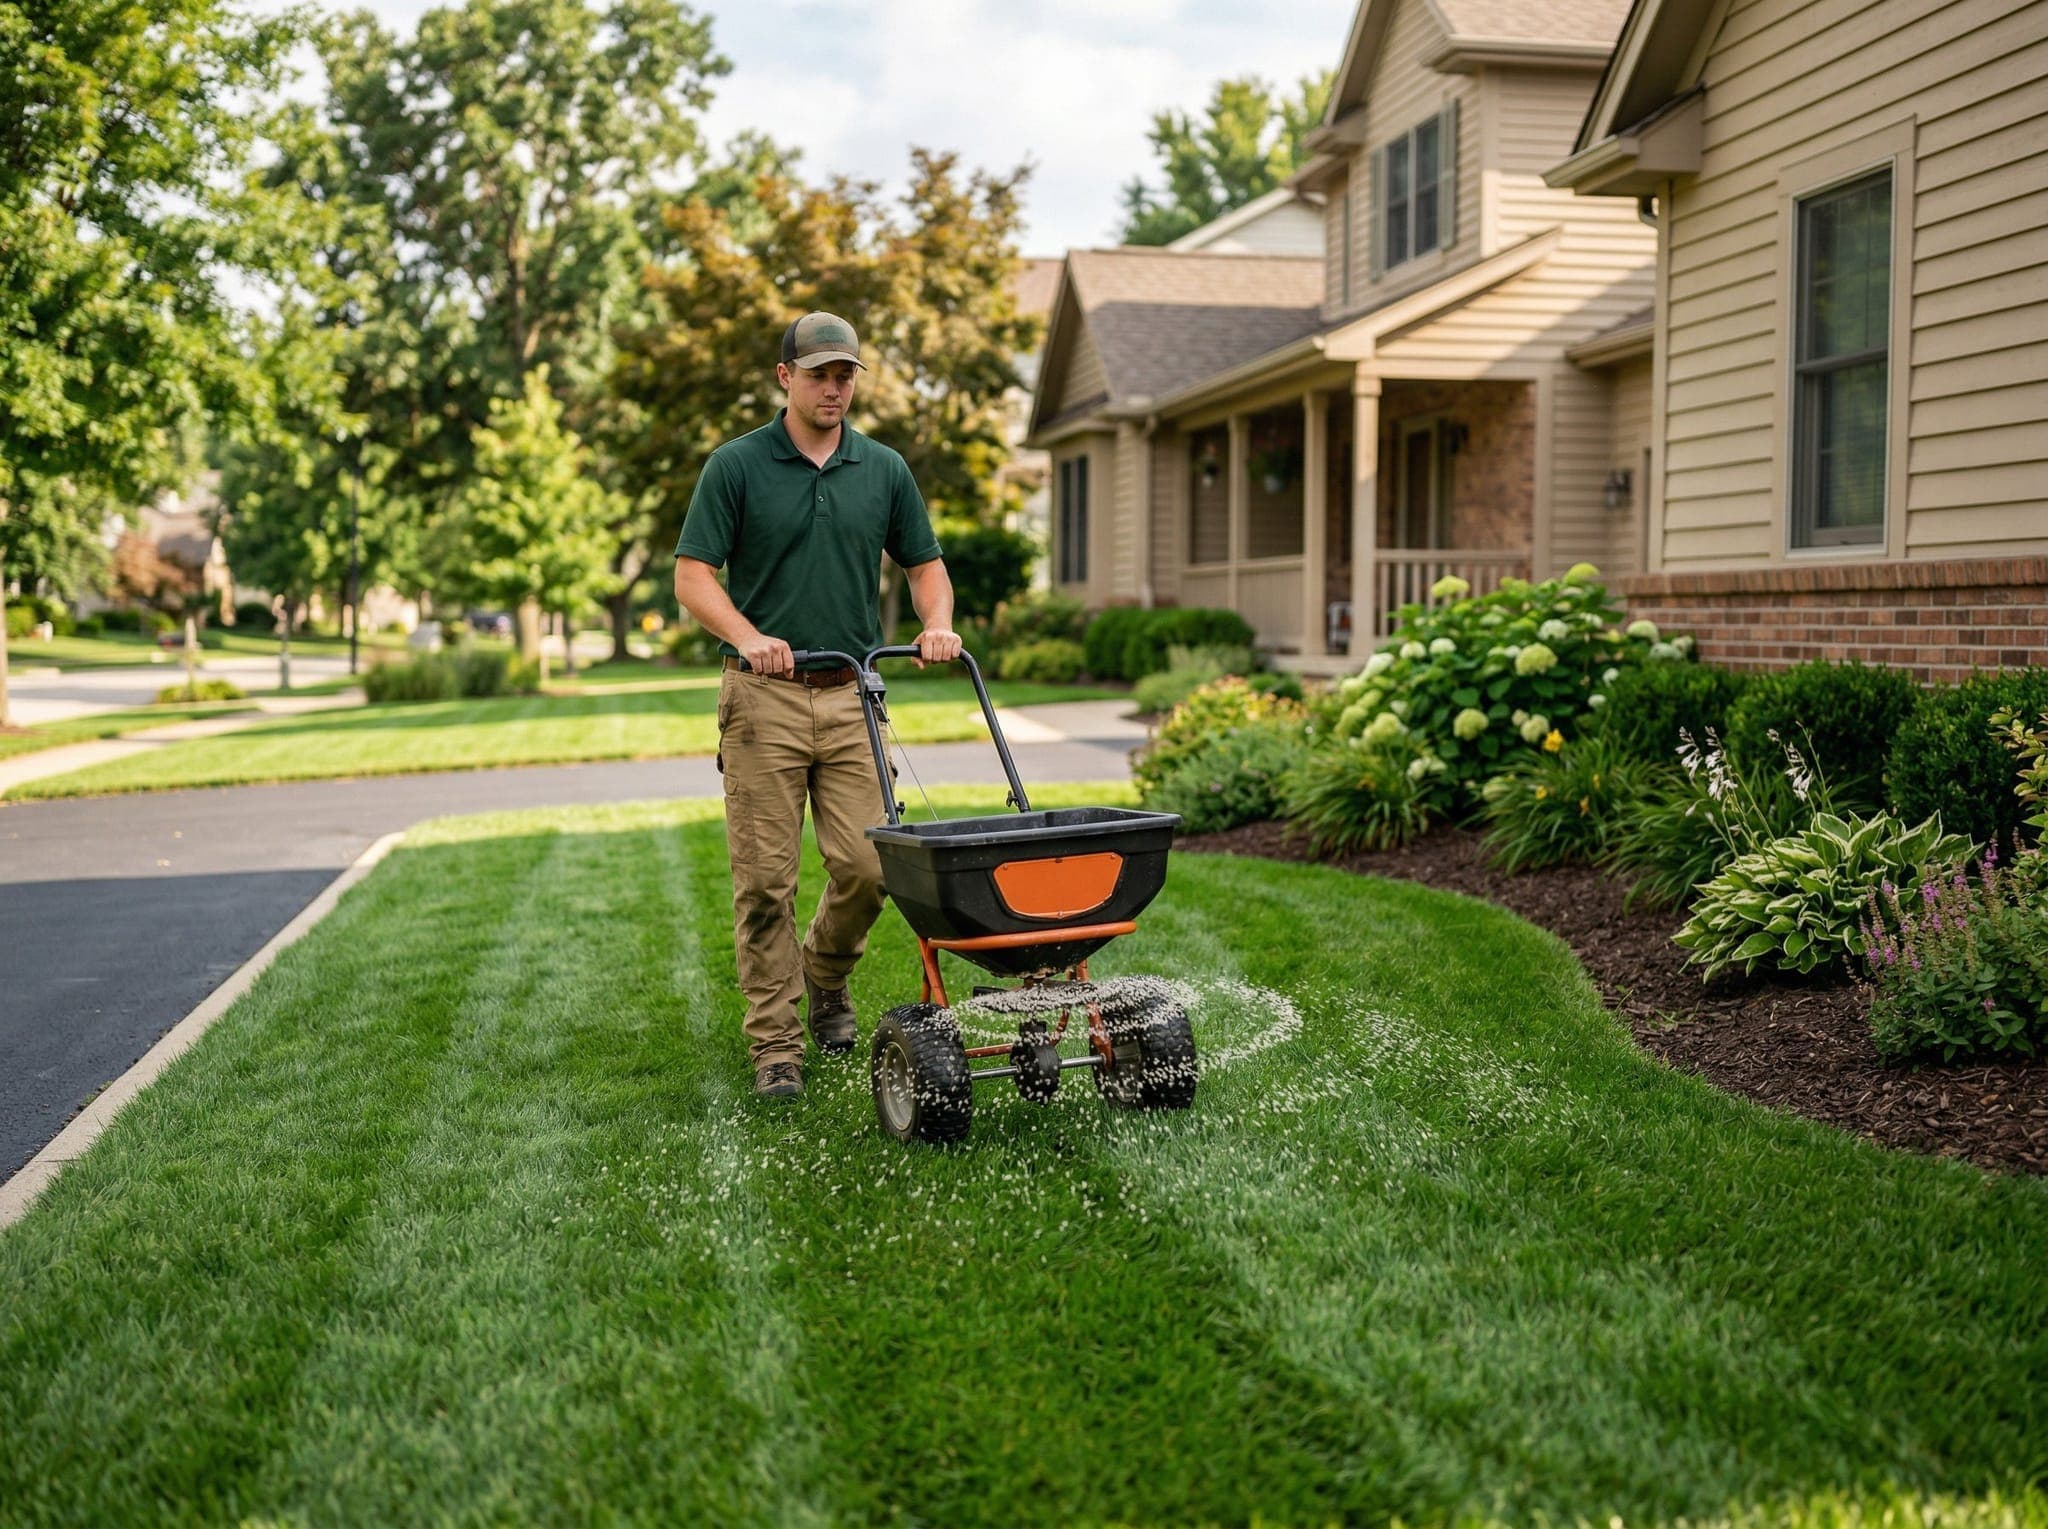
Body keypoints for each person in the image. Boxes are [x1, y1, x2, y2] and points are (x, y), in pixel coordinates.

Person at [673, 311, 962, 1100]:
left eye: (846, 376)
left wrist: (936, 624)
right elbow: (694, 575)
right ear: (785, 378)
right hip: (762, 698)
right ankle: (776, 1044)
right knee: (766, 882)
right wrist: (748, 633)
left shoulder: (883, 468)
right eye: (819, 374)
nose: (834, 388)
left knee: (870, 868)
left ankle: (826, 975)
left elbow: (925, 566)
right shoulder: (737, 467)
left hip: (851, 696)